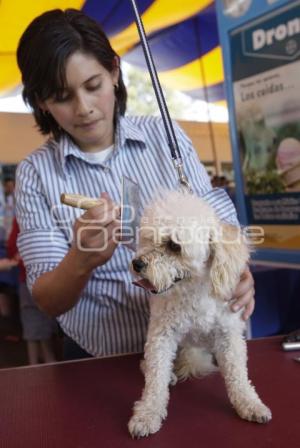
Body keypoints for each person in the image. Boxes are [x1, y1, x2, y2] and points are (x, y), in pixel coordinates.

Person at [15, 9, 255, 359]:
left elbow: (219, 229)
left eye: (93, 85)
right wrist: (80, 261)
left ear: (114, 71)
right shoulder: (36, 174)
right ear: (42, 102)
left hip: (193, 349)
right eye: (62, 97)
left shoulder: (166, 136)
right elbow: (48, 301)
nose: (84, 108)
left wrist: (238, 272)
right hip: (99, 361)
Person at [7, 217, 58, 364]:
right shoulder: (53, 216)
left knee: (31, 318)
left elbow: (12, 245)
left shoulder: (20, 217)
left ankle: (35, 362)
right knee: (45, 319)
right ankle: (48, 359)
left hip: (27, 276)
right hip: (52, 277)